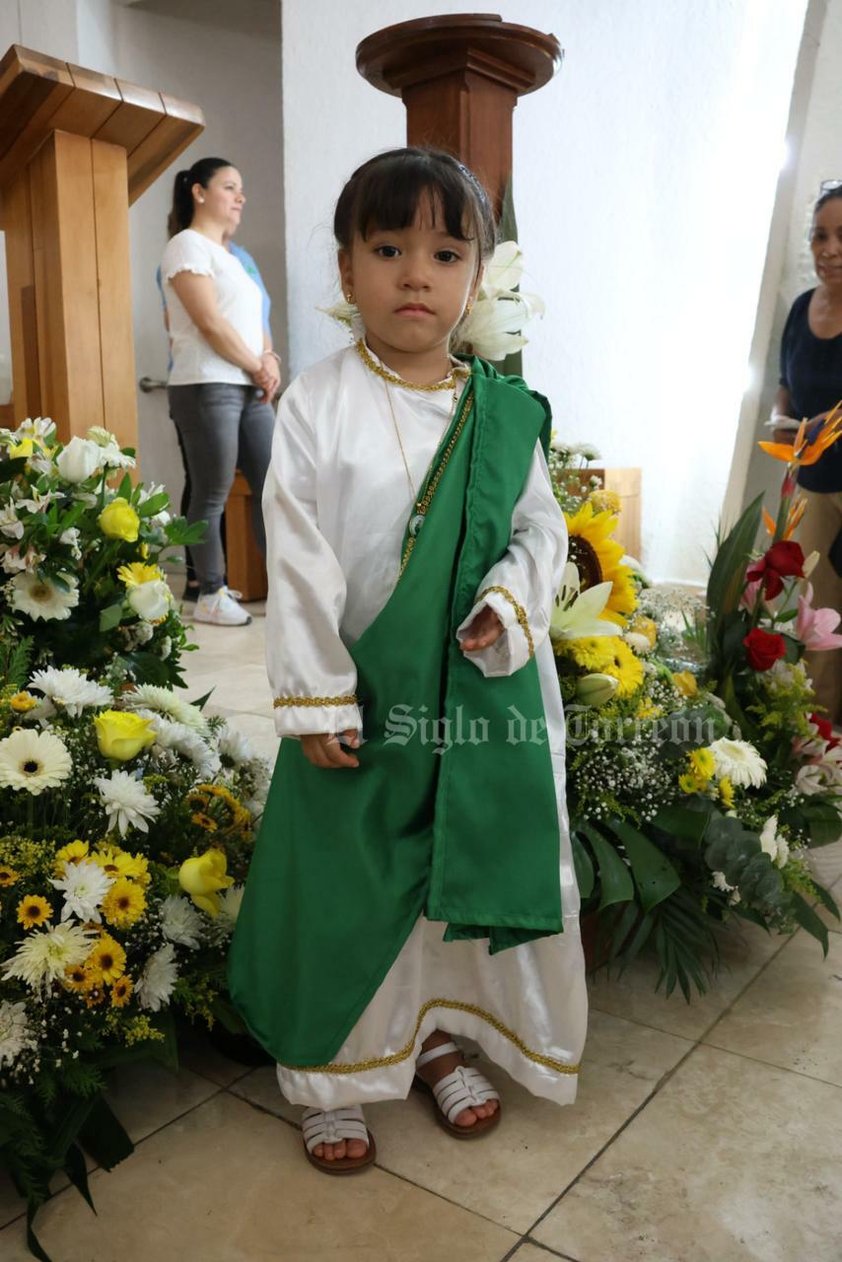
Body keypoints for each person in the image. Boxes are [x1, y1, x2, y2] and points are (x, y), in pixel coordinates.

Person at [228, 148, 587, 1174]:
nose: (415, 274)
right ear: (346, 271)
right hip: (358, 693)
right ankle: (330, 1071)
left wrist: (504, 603)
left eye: (443, 249)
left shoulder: (503, 411)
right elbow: (293, 555)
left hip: (473, 698)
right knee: (347, 884)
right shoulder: (316, 403)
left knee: (445, 881)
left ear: (476, 275)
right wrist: (316, 694)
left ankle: (427, 1037)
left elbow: (539, 532)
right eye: (387, 248)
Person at [161, 157, 281, 626]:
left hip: (250, 386)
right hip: (207, 383)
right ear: (199, 192)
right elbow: (209, 322)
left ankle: (287, 589)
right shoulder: (186, 246)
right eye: (230, 186)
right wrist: (257, 366)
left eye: (242, 189)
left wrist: (268, 361)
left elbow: (256, 322)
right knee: (210, 494)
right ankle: (209, 592)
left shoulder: (233, 258)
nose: (240, 197)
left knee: (275, 488)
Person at [773, 185, 842, 727]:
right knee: (818, 617)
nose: (830, 248)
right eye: (821, 235)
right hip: (813, 485)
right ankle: (815, 743)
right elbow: (785, 390)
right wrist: (784, 422)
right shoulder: (801, 308)